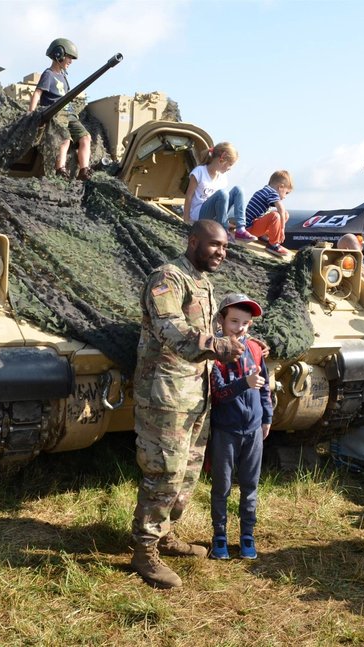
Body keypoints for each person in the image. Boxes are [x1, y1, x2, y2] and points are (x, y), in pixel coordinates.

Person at [130, 219, 244, 590]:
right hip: (165, 395)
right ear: (193, 241)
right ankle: (145, 551)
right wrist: (217, 346)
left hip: (196, 394)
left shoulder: (203, 283)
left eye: (225, 247)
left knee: (188, 472)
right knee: (164, 471)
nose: (221, 253)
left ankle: (164, 533)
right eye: (214, 245)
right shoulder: (168, 278)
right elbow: (170, 329)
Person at [207, 293, 271, 560]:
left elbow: (265, 385)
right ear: (221, 320)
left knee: (250, 485)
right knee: (221, 486)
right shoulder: (215, 354)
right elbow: (218, 394)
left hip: (253, 429)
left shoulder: (255, 349)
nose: (239, 328)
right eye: (234, 321)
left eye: (245, 323)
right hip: (226, 429)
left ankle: (247, 535)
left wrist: (267, 417)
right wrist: (244, 383)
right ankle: (219, 535)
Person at [28, 38, 92, 181]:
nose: (70, 61)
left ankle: (84, 170)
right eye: (69, 57)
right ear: (59, 55)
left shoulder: (63, 77)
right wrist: (30, 114)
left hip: (69, 113)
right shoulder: (49, 74)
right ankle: (60, 169)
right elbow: (38, 93)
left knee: (86, 137)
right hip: (56, 112)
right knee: (65, 138)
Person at [183, 143, 244, 229]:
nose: (230, 168)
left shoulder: (223, 179)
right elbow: (189, 196)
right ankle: (223, 227)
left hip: (213, 216)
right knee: (222, 194)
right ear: (221, 159)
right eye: (230, 164)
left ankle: (241, 228)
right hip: (198, 214)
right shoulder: (199, 171)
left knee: (238, 190)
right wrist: (186, 219)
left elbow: (222, 204)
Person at [238, 170, 292, 256]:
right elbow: (281, 209)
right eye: (286, 193)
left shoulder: (266, 190)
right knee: (276, 215)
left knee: (285, 214)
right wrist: (282, 229)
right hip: (249, 228)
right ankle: (273, 244)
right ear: (280, 187)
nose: (285, 197)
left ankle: (266, 236)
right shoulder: (272, 192)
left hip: (254, 225)